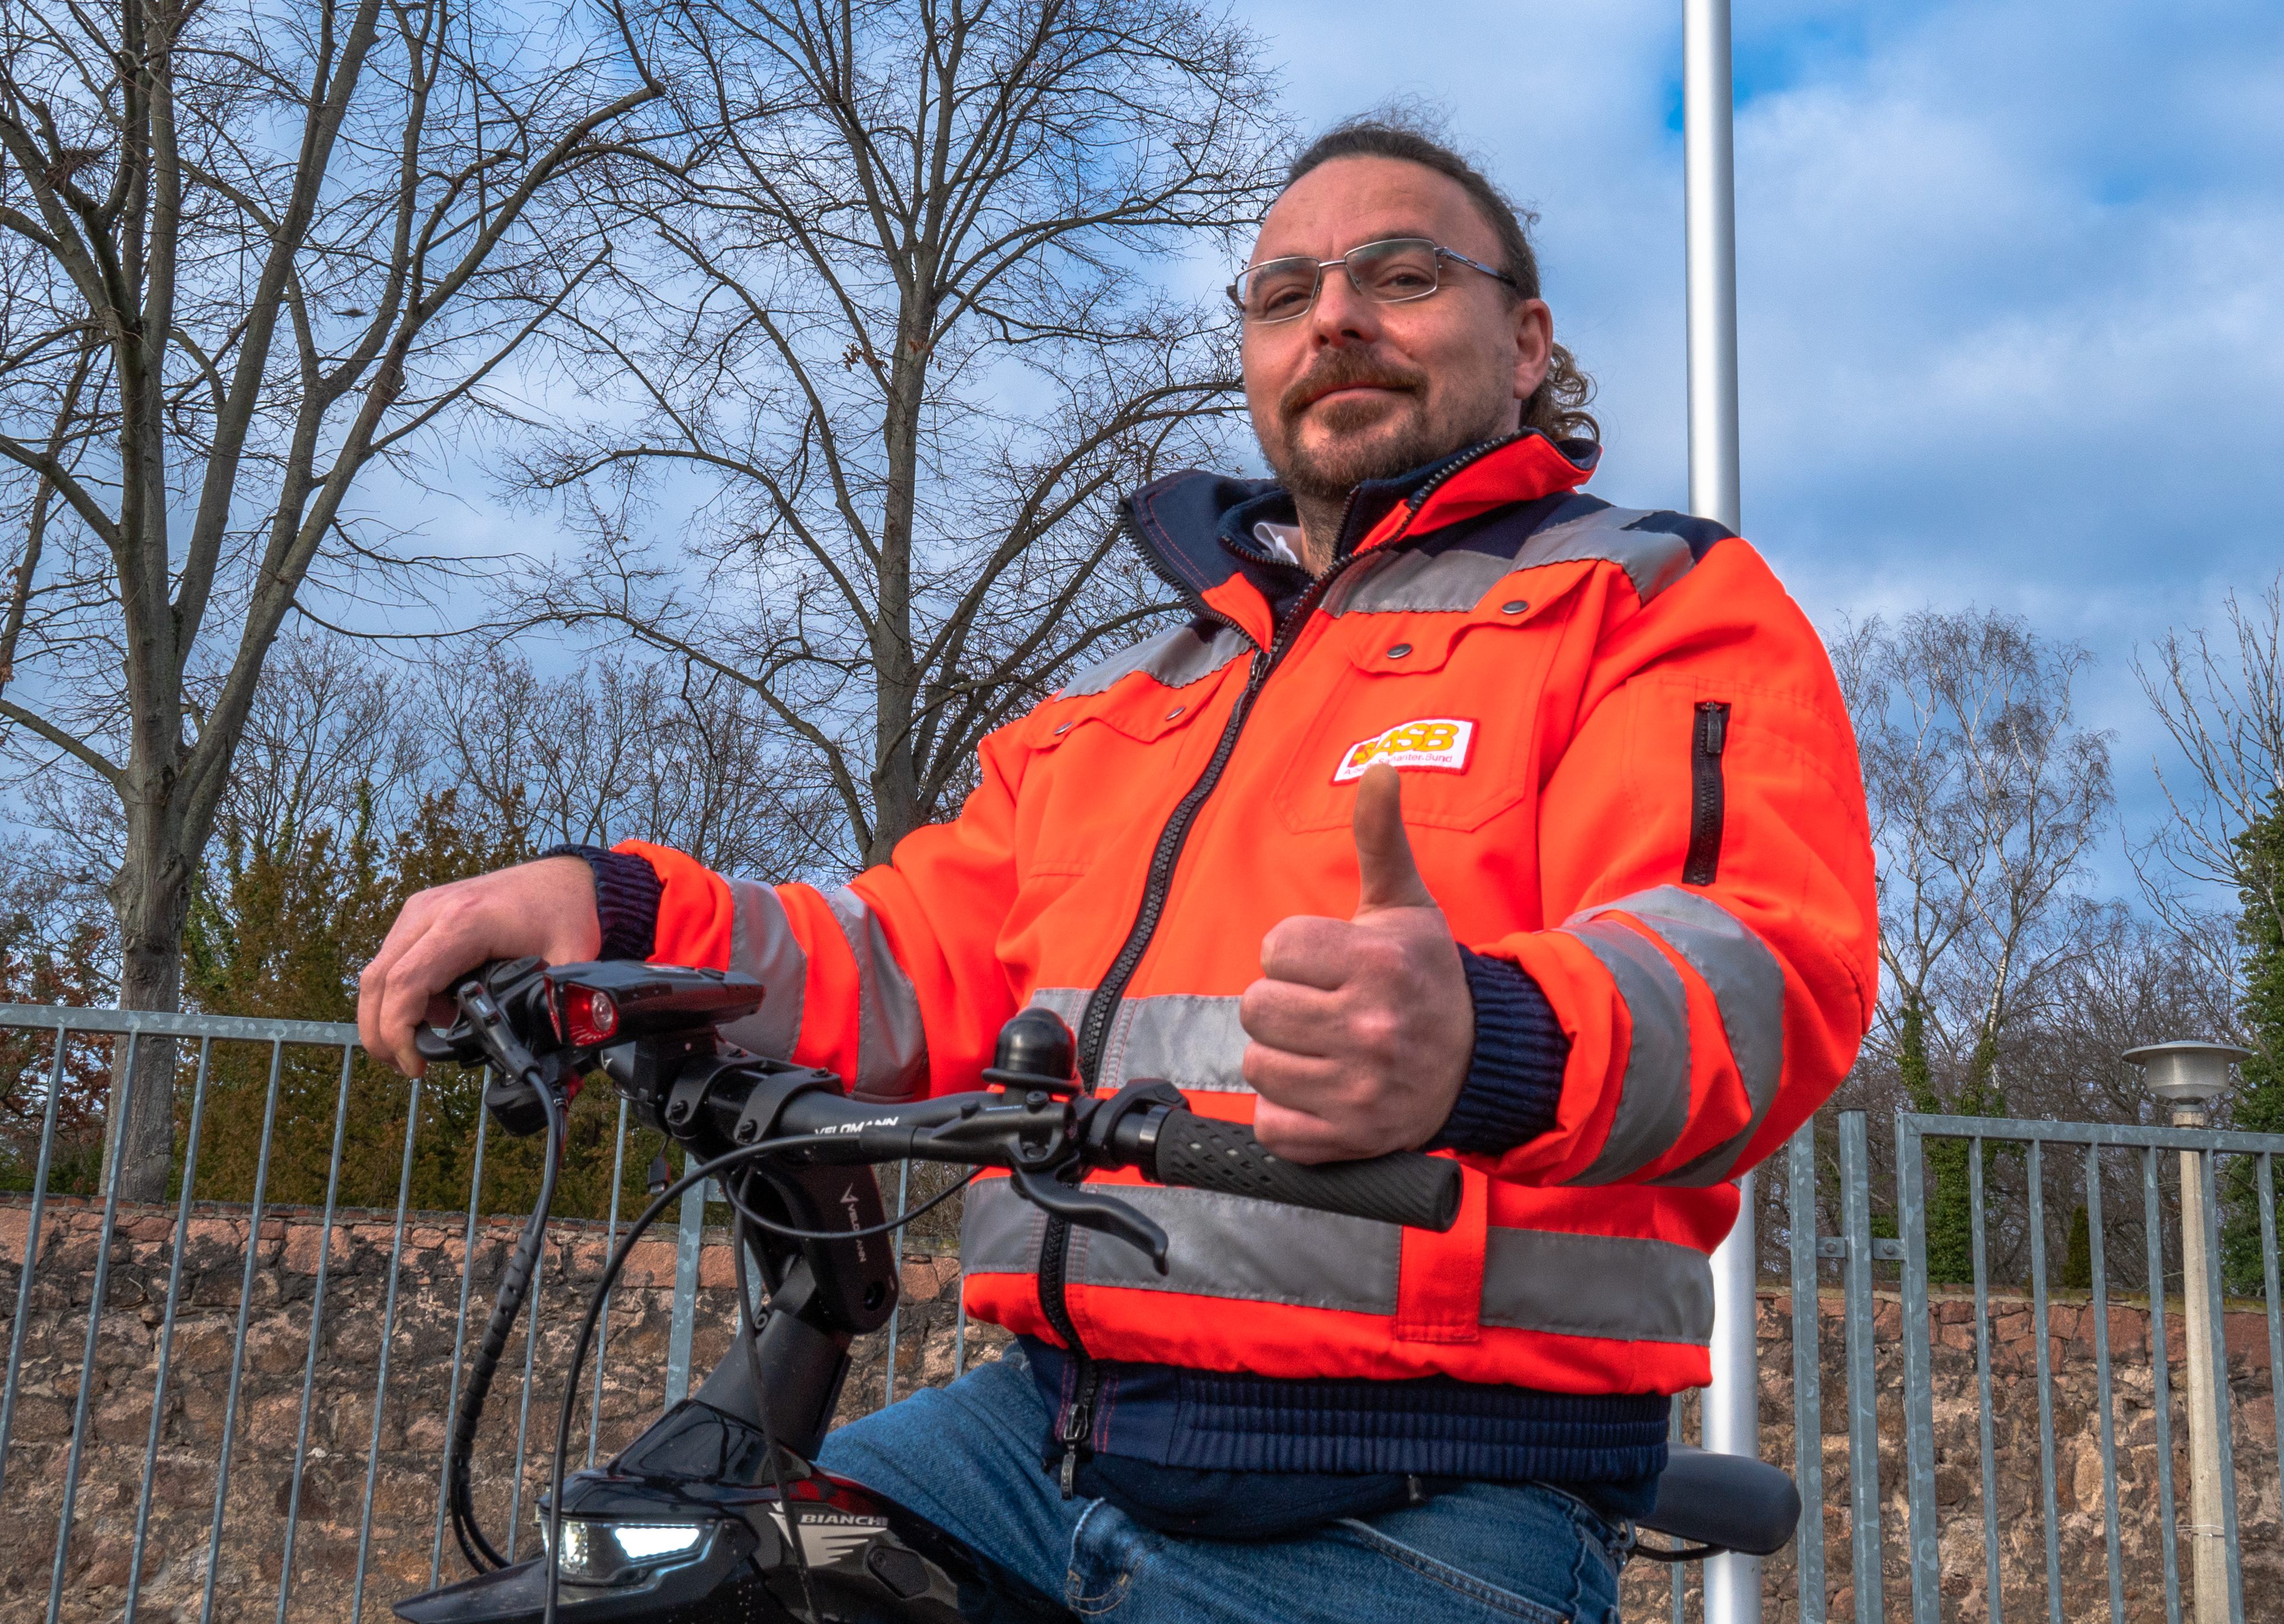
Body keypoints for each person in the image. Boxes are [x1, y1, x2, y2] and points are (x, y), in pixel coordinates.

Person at [359, 120, 1878, 1624]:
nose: (1332, 315)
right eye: (1283, 295)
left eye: (1400, 274)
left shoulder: (1652, 603)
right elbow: (901, 958)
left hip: (1413, 1508)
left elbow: (1758, 959)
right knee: (683, 1577)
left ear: (1527, 339)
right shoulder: (1136, 708)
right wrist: (613, 909)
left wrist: (1492, 1035)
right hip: (1030, 1453)